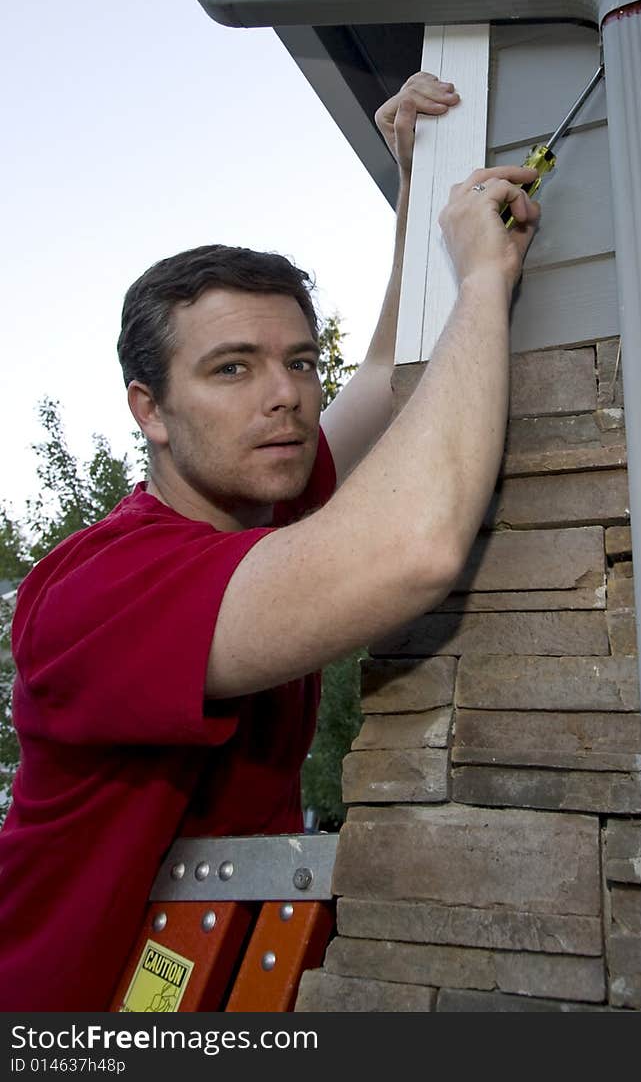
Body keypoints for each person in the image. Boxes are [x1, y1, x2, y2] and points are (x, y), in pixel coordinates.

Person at [0, 72, 540, 1010]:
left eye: (295, 360)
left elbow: (380, 375)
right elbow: (415, 545)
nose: (284, 393)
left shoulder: (272, 519)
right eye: (231, 369)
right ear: (152, 412)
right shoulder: (98, 590)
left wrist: (416, 177)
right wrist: (484, 281)